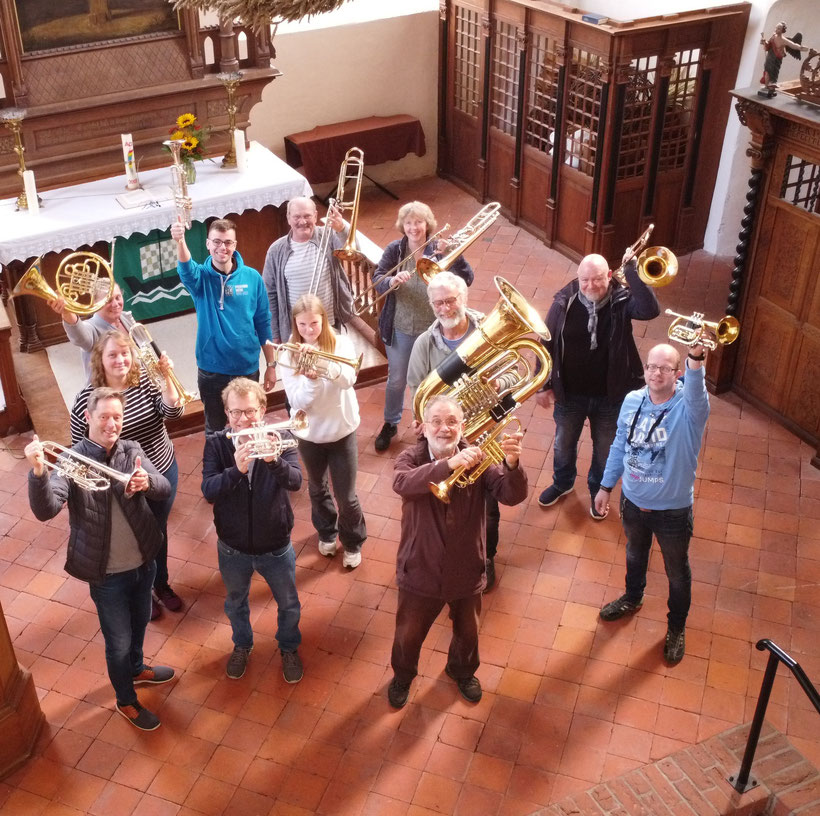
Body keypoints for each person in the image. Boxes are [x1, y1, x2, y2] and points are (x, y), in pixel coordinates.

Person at [25, 387, 174, 731]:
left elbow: (163, 487)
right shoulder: (70, 459)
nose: (111, 424)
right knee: (118, 642)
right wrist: (38, 473)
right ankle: (125, 699)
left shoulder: (131, 450)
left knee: (139, 625)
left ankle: (137, 669)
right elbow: (46, 509)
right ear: (89, 418)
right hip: (107, 575)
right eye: (104, 416)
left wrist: (146, 481)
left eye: (117, 417)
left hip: (143, 562)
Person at [387, 395, 528, 709]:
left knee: (468, 632)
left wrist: (512, 465)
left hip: (466, 568)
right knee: (408, 634)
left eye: (452, 421)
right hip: (419, 568)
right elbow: (401, 483)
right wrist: (446, 465)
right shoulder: (410, 457)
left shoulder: (477, 457)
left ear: (463, 427)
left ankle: (462, 670)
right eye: (436, 421)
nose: (444, 428)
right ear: (423, 427)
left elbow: (511, 495)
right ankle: (403, 676)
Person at [595, 341, 710, 664]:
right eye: (651, 366)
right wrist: (606, 486)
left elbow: (697, 393)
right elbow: (620, 444)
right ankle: (633, 597)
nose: (656, 373)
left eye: (664, 368)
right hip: (632, 502)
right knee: (634, 553)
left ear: (677, 374)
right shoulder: (633, 400)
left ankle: (676, 628)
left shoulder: (688, 408)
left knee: (676, 571)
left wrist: (696, 358)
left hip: (672, 511)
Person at [536, 252, 659, 519]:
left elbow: (650, 309)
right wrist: (542, 384)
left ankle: (597, 489)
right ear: (578, 278)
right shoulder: (563, 302)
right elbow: (545, 342)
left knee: (606, 448)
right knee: (563, 444)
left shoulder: (621, 300)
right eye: (585, 280)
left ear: (610, 276)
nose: (591, 286)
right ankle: (563, 482)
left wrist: (633, 270)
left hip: (611, 395)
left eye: (597, 280)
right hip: (570, 393)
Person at [70, 331, 184, 620]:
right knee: (137, 534)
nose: (121, 360)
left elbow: (173, 412)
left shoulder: (146, 380)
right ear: (100, 360)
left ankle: (161, 583)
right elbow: (80, 450)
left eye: (125, 353)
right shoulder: (88, 398)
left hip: (160, 469)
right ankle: (144, 590)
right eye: (112, 355)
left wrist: (168, 376)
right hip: (121, 485)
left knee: (158, 531)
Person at [406, 271, 509, 590]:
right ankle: (440, 553)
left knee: (488, 502)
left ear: (463, 298)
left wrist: (497, 383)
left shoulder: (490, 331)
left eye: (450, 300)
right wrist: (421, 416)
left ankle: (486, 556)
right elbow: (416, 386)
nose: (445, 308)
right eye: (438, 303)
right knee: (442, 498)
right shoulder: (425, 342)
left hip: (484, 430)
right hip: (444, 439)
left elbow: (513, 369)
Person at [201, 377, 304, 683]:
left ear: (262, 409)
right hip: (233, 547)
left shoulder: (279, 438)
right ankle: (242, 645)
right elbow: (209, 490)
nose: (243, 420)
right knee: (235, 603)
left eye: (249, 412)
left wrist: (273, 461)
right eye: (235, 413)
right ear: (226, 413)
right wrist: (236, 470)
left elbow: (295, 482)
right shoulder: (217, 443)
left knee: (288, 603)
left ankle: (288, 647)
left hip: (275, 543)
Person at [372, 201, 474, 453]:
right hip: (401, 327)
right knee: (397, 380)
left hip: (434, 331)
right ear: (402, 226)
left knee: (433, 382)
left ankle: (429, 425)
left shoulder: (439, 249)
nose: (413, 227)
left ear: (427, 224)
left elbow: (467, 279)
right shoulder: (395, 250)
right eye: (408, 222)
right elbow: (377, 278)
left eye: (418, 222)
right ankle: (391, 422)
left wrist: (455, 253)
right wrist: (391, 281)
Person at [279, 295, 367, 567]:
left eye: (314, 324)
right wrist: (311, 379)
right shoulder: (287, 352)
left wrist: (322, 365)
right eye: (302, 325)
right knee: (317, 489)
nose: (308, 330)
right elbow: (299, 402)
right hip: (309, 434)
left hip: (341, 431)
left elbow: (348, 380)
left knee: (347, 496)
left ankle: (352, 542)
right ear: (295, 324)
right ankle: (327, 532)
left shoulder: (340, 342)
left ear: (323, 320)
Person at [170, 217, 276, 433]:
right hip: (212, 370)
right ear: (208, 244)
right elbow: (186, 268)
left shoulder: (252, 277)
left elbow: (263, 322)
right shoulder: (200, 279)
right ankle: (218, 468)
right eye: (216, 242)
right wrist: (180, 241)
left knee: (249, 426)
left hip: (246, 367)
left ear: (235, 245)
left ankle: (251, 466)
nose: (222, 247)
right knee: (215, 430)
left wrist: (271, 365)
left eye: (228, 242)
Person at [262, 196, 355, 346]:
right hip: (296, 330)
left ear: (316, 216)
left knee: (330, 367)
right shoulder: (276, 250)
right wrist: (275, 333)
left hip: (328, 324)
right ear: (288, 218)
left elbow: (353, 254)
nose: (302, 221)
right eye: (297, 217)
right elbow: (269, 293)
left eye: (307, 216)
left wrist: (342, 229)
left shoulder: (329, 236)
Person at [49, 282, 128, 383]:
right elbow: (80, 336)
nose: (116, 304)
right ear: (94, 303)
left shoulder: (125, 317)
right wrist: (67, 311)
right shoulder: (92, 328)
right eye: (108, 300)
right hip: (108, 394)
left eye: (118, 297)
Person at [760, 22, 809, 89]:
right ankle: (766, 86)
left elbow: (793, 45)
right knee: (767, 70)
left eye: (779, 29)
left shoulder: (783, 40)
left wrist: (801, 48)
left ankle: (772, 83)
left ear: (783, 30)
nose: (776, 30)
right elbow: (768, 44)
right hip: (770, 57)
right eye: (776, 28)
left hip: (777, 58)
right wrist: (764, 42)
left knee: (774, 71)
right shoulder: (773, 36)